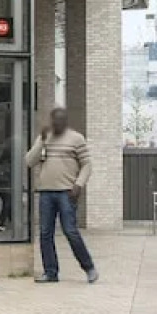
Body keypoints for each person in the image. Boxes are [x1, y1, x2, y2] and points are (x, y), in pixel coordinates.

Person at [24, 108, 98, 284]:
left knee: (70, 231)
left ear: (65, 122)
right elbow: (29, 161)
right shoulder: (44, 137)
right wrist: (41, 141)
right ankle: (50, 272)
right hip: (46, 192)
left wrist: (78, 184)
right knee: (45, 233)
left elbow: (87, 165)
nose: (56, 124)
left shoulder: (76, 139)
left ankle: (89, 267)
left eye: (60, 120)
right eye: (54, 120)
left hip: (67, 192)